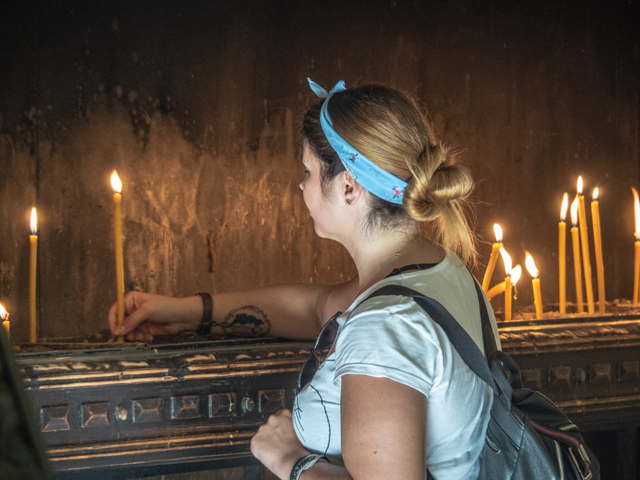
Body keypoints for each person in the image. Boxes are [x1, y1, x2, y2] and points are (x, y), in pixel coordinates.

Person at [108, 79, 499, 480]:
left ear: (348, 186)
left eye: (308, 171)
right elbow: (315, 309)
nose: (301, 185)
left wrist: (287, 458)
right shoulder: (442, 274)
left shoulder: (382, 327)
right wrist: (189, 311)